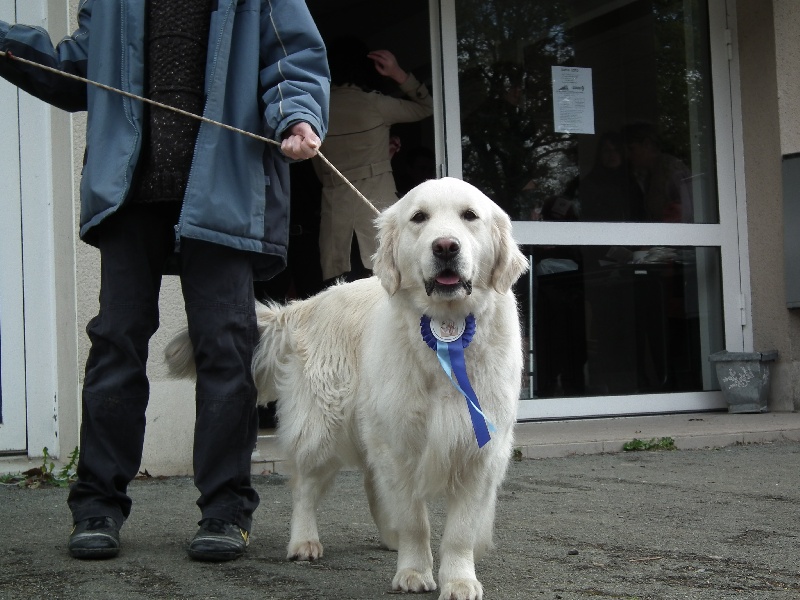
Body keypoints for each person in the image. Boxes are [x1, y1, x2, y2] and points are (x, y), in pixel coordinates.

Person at [0, 0, 329, 562]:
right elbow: (76, 67)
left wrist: (298, 115)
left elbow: (293, 57)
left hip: (222, 188)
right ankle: (97, 506)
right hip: (130, 196)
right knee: (116, 342)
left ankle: (226, 510)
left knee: (226, 344)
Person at [313, 36, 433, 284]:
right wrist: (399, 74)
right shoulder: (375, 104)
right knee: (385, 294)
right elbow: (427, 107)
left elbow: (321, 171)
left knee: (342, 301)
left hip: (336, 221)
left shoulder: (317, 111)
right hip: (376, 213)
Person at [622, 122, 694, 223]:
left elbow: (686, 213)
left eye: (631, 149)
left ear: (647, 144)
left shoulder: (671, 169)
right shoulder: (646, 173)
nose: (627, 156)